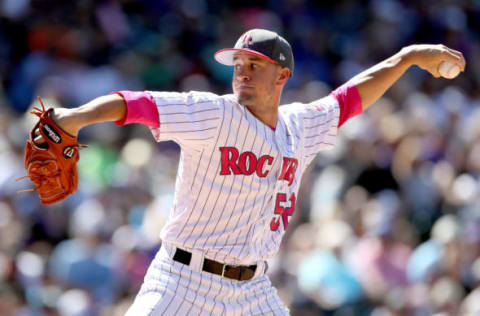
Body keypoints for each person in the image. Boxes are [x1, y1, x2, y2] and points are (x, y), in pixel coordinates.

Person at [32, 29, 465, 315]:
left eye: (254, 66)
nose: (241, 73)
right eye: (238, 65)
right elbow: (137, 104)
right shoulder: (214, 114)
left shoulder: (301, 125)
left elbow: (350, 98)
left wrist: (406, 58)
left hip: (252, 290)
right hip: (183, 281)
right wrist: (74, 117)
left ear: (283, 75)